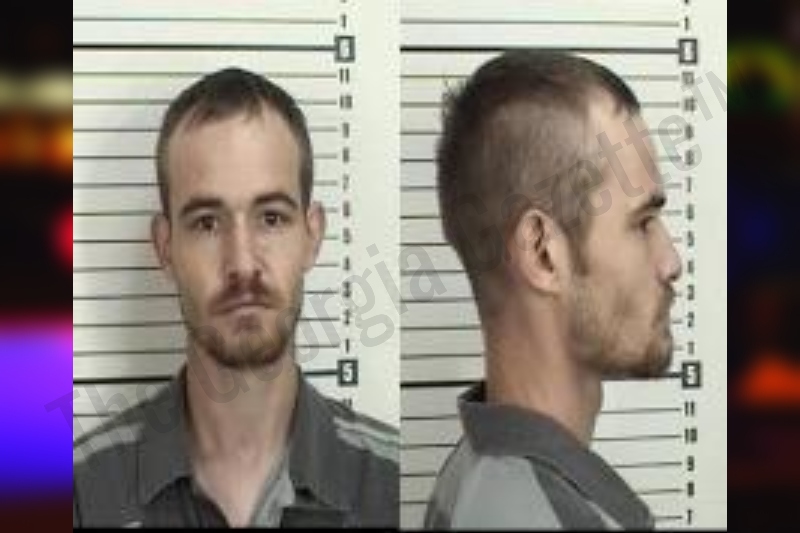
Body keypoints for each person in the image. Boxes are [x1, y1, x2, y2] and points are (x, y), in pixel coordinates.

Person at [73, 67, 399, 527]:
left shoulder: (390, 486)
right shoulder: (81, 494)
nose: (242, 263)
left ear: (312, 236)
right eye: (207, 223)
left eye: (271, 218)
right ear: (165, 248)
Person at [424, 50, 683, 529]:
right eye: (643, 223)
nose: (671, 262)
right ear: (542, 253)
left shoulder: (472, 474)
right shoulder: (536, 516)